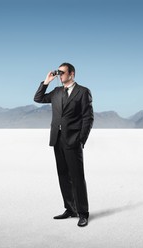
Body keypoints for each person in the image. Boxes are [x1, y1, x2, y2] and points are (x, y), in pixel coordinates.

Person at [34, 62, 94, 227]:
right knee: (63, 176)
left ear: (72, 73)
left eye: (62, 72)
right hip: (57, 139)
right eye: (58, 72)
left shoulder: (83, 92)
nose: (59, 75)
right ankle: (70, 208)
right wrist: (46, 82)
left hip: (73, 140)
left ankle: (83, 213)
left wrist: (81, 140)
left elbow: (88, 118)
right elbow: (38, 98)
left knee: (77, 178)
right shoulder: (56, 91)